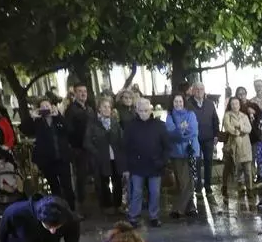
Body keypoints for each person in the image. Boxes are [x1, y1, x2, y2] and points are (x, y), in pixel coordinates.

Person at [122, 98, 171, 228]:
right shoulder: (130, 126)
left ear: (150, 110)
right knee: (136, 192)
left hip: (155, 165)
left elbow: (167, 147)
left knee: (155, 192)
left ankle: (154, 216)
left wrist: (163, 162)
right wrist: (126, 167)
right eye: (141, 110)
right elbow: (125, 148)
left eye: (146, 110)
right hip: (136, 166)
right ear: (136, 111)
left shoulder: (159, 125)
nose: (144, 113)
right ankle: (133, 216)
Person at [21, 99, 75, 210]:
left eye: (47, 105)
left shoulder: (58, 118)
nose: (46, 108)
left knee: (67, 185)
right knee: (54, 187)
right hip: (47, 160)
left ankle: (71, 209)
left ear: (52, 106)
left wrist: (58, 115)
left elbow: (69, 130)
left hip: (62, 157)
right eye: (43, 106)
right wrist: (32, 117)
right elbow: (24, 130)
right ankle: (58, 210)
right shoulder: (37, 121)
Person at [83, 97, 127, 217]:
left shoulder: (114, 122)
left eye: (109, 107)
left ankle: (118, 205)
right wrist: (96, 152)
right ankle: (107, 206)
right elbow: (87, 142)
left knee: (117, 182)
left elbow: (121, 138)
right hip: (102, 158)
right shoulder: (93, 124)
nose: (107, 109)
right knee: (104, 182)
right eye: (104, 107)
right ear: (99, 109)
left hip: (115, 157)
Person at [165, 94, 200, 218]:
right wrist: (182, 129)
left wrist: (179, 132)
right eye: (176, 101)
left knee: (189, 181)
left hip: (191, 151)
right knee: (182, 182)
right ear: (172, 103)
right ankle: (190, 208)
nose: (178, 104)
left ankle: (178, 209)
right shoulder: (170, 116)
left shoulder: (191, 114)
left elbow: (193, 131)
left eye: (180, 101)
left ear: (184, 102)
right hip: (176, 153)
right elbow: (170, 133)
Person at [187, 82, 220, 195]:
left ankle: (208, 186)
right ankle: (198, 187)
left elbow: (215, 119)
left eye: (201, 89)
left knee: (208, 162)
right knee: (196, 163)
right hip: (194, 139)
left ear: (204, 90)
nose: (199, 91)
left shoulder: (210, 103)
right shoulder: (188, 104)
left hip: (209, 137)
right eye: (197, 89)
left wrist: (216, 134)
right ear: (193, 91)